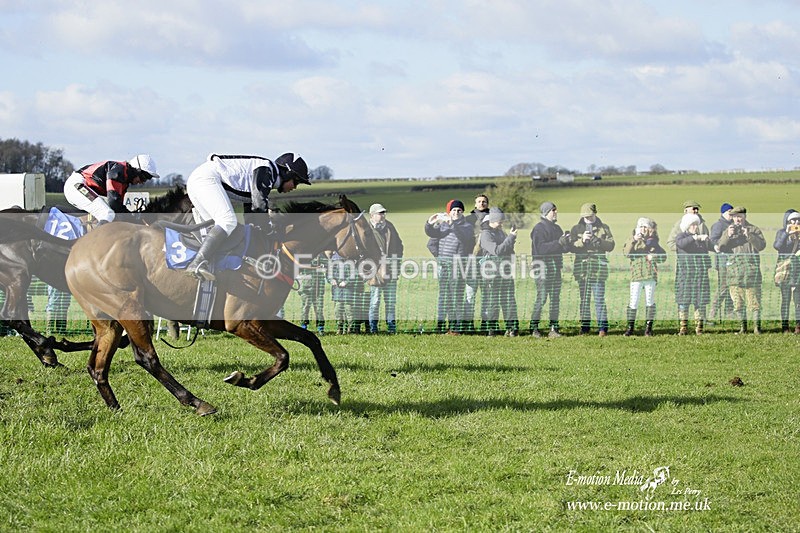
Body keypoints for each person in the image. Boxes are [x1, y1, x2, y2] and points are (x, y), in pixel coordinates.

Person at [185, 153, 310, 280]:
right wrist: (270, 231)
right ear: (288, 173)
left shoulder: (265, 175)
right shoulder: (267, 170)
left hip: (198, 180)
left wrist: (260, 232)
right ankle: (197, 263)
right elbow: (259, 206)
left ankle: (207, 265)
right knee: (228, 221)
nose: (294, 187)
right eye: (296, 182)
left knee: (216, 230)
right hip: (206, 179)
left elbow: (251, 216)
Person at [425, 199, 475, 335]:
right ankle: (447, 325)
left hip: (458, 267)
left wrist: (452, 223)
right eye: (454, 210)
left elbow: (463, 237)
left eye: (459, 210)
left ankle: (458, 327)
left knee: (457, 296)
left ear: (462, 212)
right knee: (446, 296)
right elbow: (431, 237)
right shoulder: (443, 226)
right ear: (450, 212)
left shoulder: (467, 226)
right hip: (444, 266)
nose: (456, 212)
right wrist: (429, 223)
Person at [62, 154, 159, 224]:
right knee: (107, 213)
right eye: (143, 178)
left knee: (110, 214)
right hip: (77, 185)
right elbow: (114, 204)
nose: (142, 182)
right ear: (136, 170)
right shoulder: (118, 172)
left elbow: (119, 209)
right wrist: (134, 218)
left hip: (83, 187)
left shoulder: (124, 182)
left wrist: (133, 217)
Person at [568, 203, 615, 336]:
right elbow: (570, 246)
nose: (587, 219)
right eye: (585, 217)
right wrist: (582, 241)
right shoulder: (576, 229)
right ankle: (585, 327)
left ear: (595, 214)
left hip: (598, 270)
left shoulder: (604, 228)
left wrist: (599, 241)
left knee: (599, 299)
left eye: (589, 216)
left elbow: (611, 245)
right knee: (584, 300)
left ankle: (602, 328)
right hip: (582, 270)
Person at [717, 206, 766, 334]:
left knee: (754, 302)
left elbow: (761, 246)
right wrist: (728, 235)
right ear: (732, 218)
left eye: (740, 216)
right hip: (734, 272)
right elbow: (720, 247)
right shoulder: (728, 230)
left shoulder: (754, 229)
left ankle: (757, 328)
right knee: (737, 303)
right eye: (735, 217)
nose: (738, 219)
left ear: (745, 216)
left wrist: (749, 235)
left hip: (751, 272)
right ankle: (742, 328)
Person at [529, 201, 570, 338]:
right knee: (542, 298)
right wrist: (559, 242)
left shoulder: (557, 229)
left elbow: (564, 249)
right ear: (546, 212)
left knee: (555, 299)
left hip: (555, 268)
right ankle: (534, 328)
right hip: (542, 268)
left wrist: (568, 241)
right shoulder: (539, 229)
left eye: (556, 209)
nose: (556, 212)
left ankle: (554, 328)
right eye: (553, 210)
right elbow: (541, 249)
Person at [622, 217, 667, 336]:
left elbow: (663, 257)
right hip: (636, 275)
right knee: (633, 301)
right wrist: (634, 240)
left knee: (649, 301)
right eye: (641, 226)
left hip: (650, 275)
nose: (643, 229)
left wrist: (655, 256)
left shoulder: (654, 242)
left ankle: (648, 328)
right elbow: (626, 253)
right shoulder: (632, 239)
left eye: (645, 227)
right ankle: (630, 328)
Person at [478, 207, 519, 336]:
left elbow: (508, 249)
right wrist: (511, 237)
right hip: (491, 273)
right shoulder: (486, 234)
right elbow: (497, 251)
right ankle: (492, 330)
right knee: (493, 302)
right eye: (500, 220)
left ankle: (511, 329)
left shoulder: (501, 232)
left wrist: (511, 240)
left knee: (509, 300)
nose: (502, 223)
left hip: (505, 270)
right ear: (493, 219)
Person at [367, 203, 404, 334]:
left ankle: (391, 326)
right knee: (375, 301)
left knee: (391, 301)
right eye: (379, 213)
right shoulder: (366, 229)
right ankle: (373, 327)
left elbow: (399, 246)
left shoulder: (390, 227)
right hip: (374, 271)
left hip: (390, 270)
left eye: (383, 213)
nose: (382, 216)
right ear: (372, 215)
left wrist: (396, 264)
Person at [674, 213, 713, 335]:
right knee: (683, 302)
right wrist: (695, 238)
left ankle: (699, 328)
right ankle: (683, 328)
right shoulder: (681, 236)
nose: (695, 227)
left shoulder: (700, 239)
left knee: (699, 302)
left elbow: (711, 249)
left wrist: (708, 242)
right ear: (687, 226)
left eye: (696, 225)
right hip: (685, 276)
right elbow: (681, 244)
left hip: (700, 275)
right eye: (693, 225)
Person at [463, 194, 490, 332]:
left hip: (487, 260)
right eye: (479, 201)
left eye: (484, 201)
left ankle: (486, 324)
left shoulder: (492, 218)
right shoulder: (468, 219)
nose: (482, 203)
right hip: (471, 260)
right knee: (470, 293)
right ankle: (468, 325)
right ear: (475, 204)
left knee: (487, 293)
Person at [773, 210, 800, 334]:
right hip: (785, 271)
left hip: (798, 271)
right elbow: (778, 246)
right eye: (793, 220)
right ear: (787, 222)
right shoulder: (781, 232)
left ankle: (798, 326)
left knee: (798, 300)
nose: (796, 223)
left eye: (798, 220)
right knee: (786, 300)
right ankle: (785, 326)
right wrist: (787, 234)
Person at [709, 203, 735, 322]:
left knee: (732, 287)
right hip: (723, 261)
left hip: (734, 260)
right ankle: (713, 311)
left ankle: (729, 312)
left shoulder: (734, 224)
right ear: (723, 213)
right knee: (723, 287)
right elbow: (713, 241)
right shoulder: (718, 225)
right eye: (729, 212)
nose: (731, 214)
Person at [298, 253, 327, 334]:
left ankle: (320, 328)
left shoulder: (321, 255)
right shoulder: (304, 254)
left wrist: (322, 265)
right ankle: (304, 327)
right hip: (306, 287)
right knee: (305, 308)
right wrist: (314, 265)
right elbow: (299, 266)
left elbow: (327, 265)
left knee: (319, 309)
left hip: (318, 287)